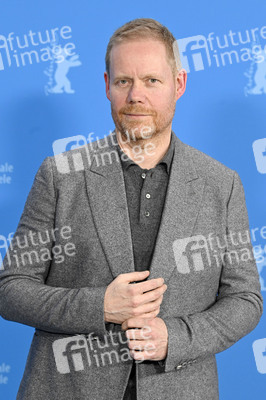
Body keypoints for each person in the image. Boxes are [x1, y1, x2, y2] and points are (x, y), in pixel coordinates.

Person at [0, 18, 263, 400]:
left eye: (152, 81)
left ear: (179, 85)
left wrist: (175, 337)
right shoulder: (59, 175)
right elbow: (10, 290)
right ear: (107, 86)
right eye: (124, 81)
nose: (136, 95)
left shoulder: (222, 185)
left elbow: (246, 300)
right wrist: (99, 306)